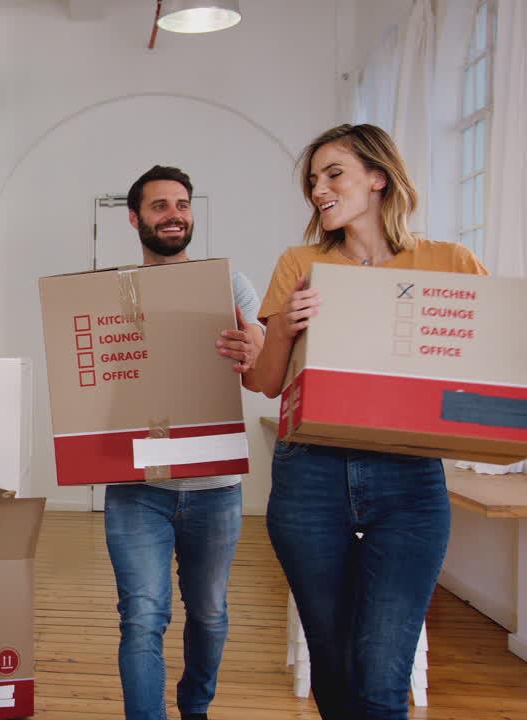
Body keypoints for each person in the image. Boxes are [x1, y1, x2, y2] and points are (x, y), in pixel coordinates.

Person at [249, 124, 488, 720]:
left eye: (334, 174)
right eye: (313, 181)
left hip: (409, 480)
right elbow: (268, 383)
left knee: (382, 679)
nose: (318, 191)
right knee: (333, 671)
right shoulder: (300, 263)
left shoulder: (450, 263)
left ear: (378, 177)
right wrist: (284, 326)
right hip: (310, 477)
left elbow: (486, 366)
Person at [104, 165, 265, 720]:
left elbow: (258, 369)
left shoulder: (230, 286)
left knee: (210, 614)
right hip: (137, 485)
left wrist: (253, 348)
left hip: (214, 486)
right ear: (135, 219)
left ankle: (195, 708)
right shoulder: (108, 295)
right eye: (160, 206)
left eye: (182, 204)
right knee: (142, 616)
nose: (174, 215)